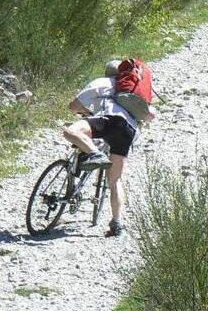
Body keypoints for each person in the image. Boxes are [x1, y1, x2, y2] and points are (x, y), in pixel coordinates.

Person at [62, 60, 155, 237]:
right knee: (115, 180)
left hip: (107, 121)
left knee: (71, 132)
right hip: (128, 130)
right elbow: (150, 115)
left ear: (106, 72)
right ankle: (117, 223)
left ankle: (95, 154)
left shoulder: (101, 82)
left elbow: (73, 107)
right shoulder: (131, 90)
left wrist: (87, 113)